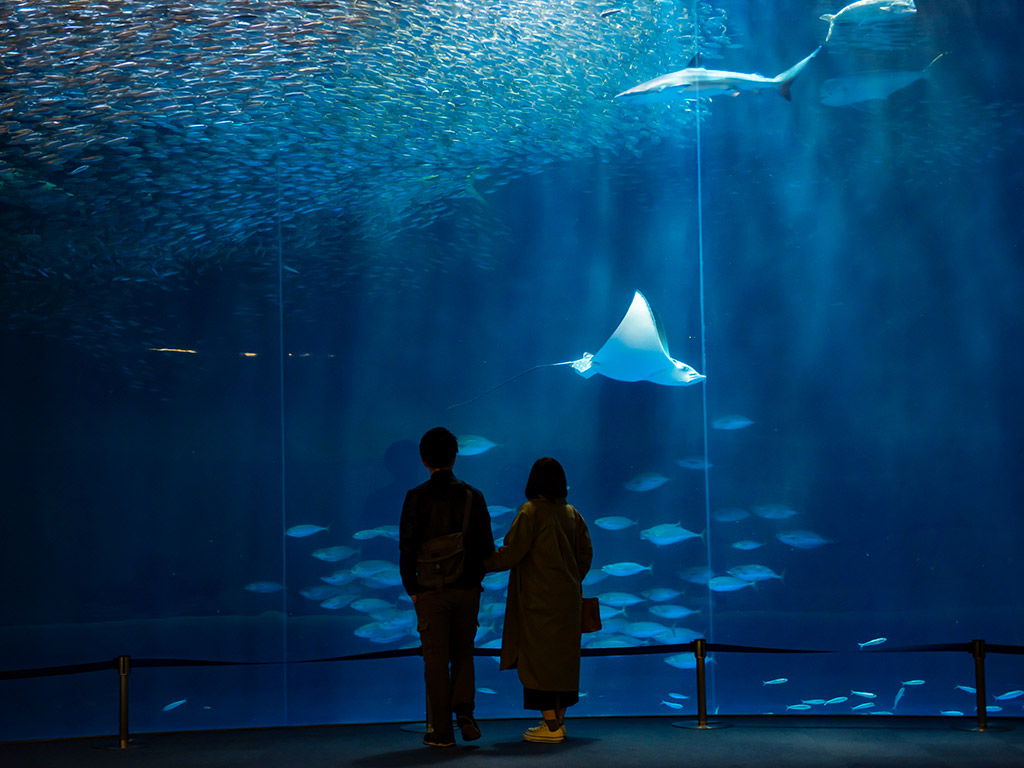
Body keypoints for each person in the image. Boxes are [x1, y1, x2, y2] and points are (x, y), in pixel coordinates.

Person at [484, 457, 593, 743]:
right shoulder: (572, 513)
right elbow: (585, 555)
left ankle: (550, 727)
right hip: (568, 602)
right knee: (564, 663)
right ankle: (559, 721)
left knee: (538, 661)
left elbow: (512, 552)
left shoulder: (531, 512)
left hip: (537, 603)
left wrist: (479, 562)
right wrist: (569, 580)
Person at [399, 427, 495, 748]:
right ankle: (465, 713)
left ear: (423, 460)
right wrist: (473, 581)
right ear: (456, 456)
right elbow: (487, 549)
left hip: (429, 591)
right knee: (464, 654)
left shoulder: (415, 497)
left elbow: (407, 549)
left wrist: (412, 589)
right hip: (466, 589)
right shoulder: (473, 496)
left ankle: (442, 732)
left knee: (436, 660)